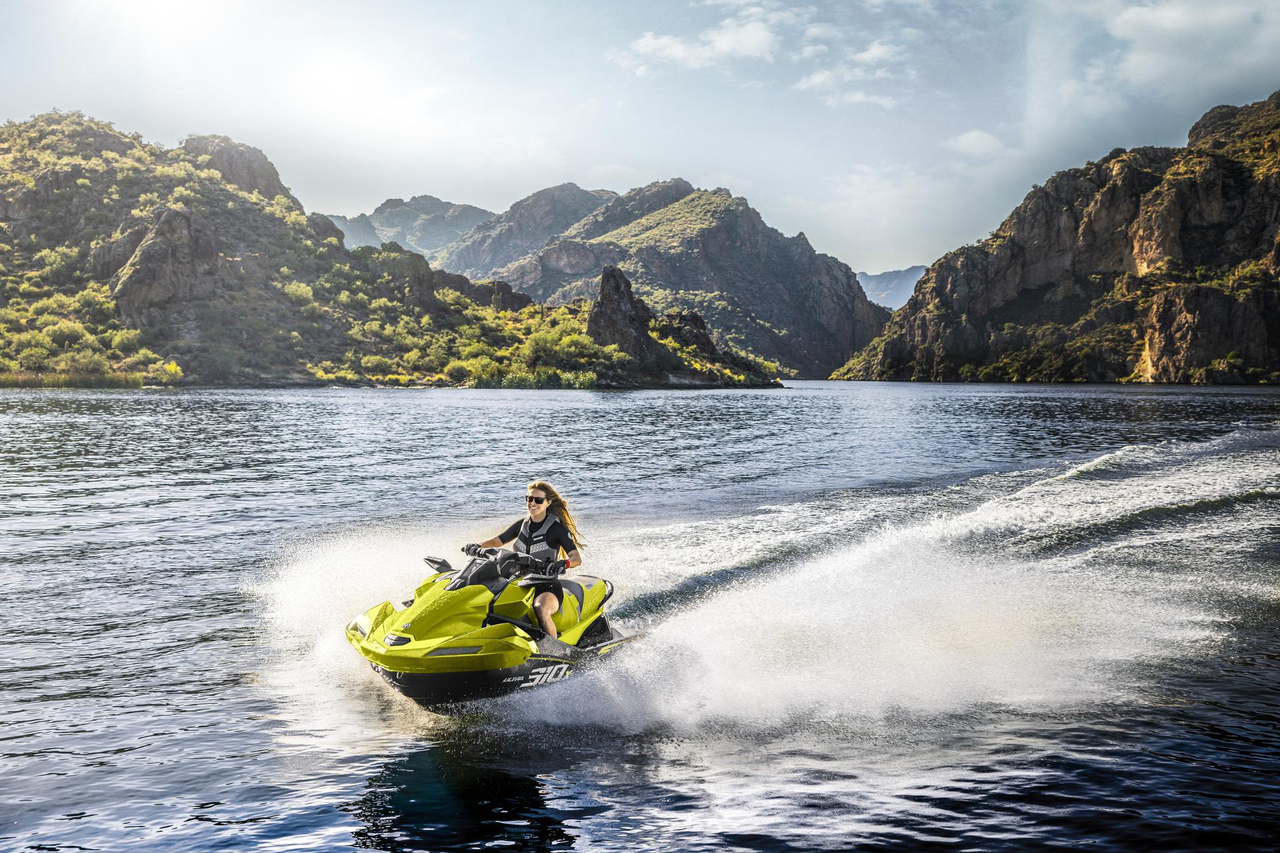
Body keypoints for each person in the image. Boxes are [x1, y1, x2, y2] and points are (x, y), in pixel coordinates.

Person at [464, 480, 583, 640]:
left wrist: (564, 563)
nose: (533, 503)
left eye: (538, 500)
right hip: (519, 583)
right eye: (529, 499)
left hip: (546, 586)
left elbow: (576, 557)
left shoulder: (556, 529)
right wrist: (477, 546)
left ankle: (554, 651)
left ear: (547, 503)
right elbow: (496, 541)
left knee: (540, 608)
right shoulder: (522, 525)